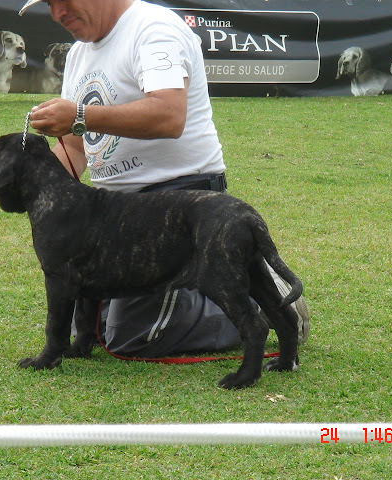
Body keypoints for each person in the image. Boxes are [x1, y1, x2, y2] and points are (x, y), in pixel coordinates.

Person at [18, 0, 309, 357]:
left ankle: (267, 301)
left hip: (180, 204)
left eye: (63, 0)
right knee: (86, 317)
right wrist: (36, 185)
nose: (57, 13)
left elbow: (169, 115)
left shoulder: (154, 28)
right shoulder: (79, 53)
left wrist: (80, 114)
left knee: (136, 336)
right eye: (49, 4)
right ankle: (235, 281)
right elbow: (77, 149)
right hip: (116, 217)